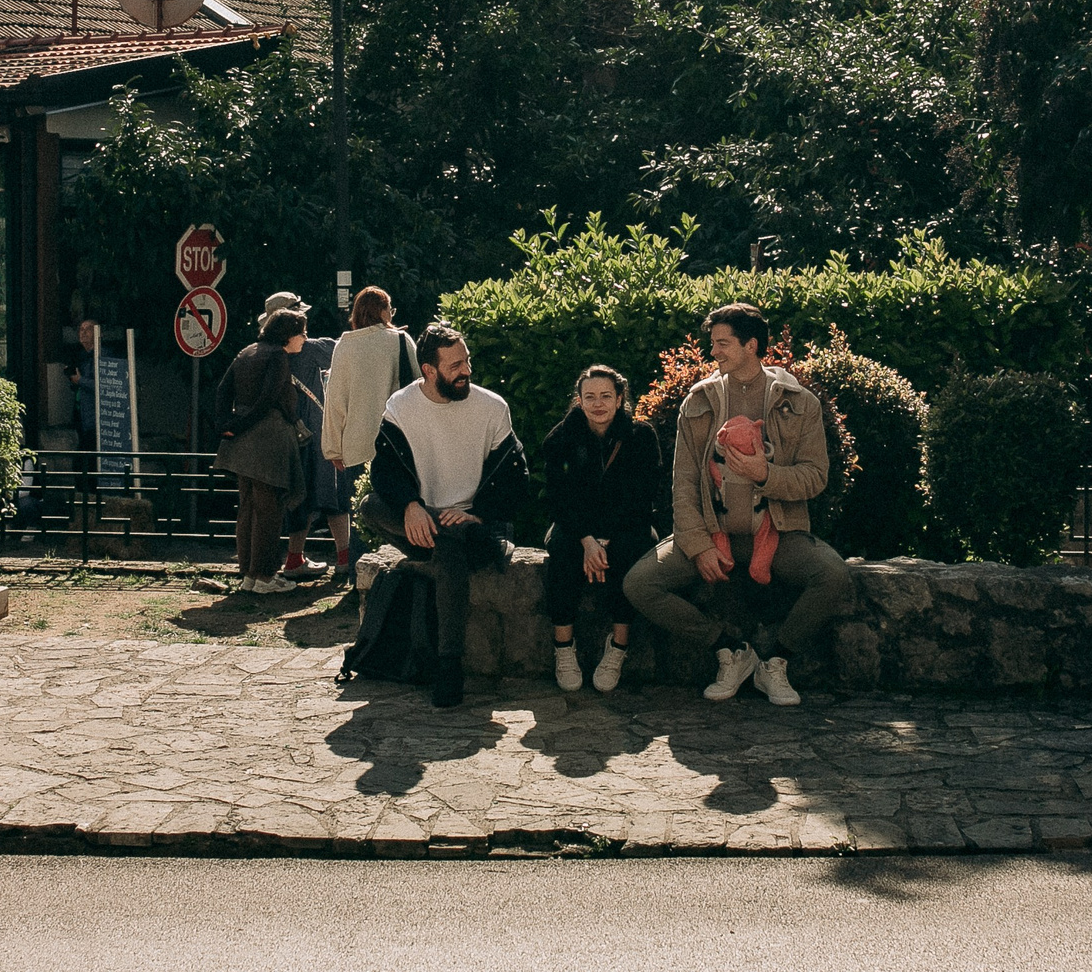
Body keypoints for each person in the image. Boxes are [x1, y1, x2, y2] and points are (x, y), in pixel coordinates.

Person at [623, 302, 848, 708]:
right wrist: (698, 545)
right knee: (639, 584)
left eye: (723, 344)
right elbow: (685, 481)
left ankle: (775, 662)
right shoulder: (699, 402)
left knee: (833, 576)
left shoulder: (800, 403)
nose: (714, 353)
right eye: (713, 344)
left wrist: (767, 475)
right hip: (713, 532)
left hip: (776, 533)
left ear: (752, 345)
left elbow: (816, 477)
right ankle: (730, 651)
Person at [363, 324, 528, 708]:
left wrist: (479, 516)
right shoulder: (401, 407)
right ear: (429, 370)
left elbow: (514, 479)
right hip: (424, 521)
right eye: (455, 365)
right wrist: (410, 505)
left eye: (466, 360)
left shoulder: (492, 407)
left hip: (478, 530)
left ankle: (448, 664)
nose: (466, 370)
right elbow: (384, 471)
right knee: (371, 506)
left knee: (451, 545)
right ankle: (448, 663)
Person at [541, 364, 664, 693]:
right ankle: (564, 648)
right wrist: (587, 541)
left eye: (606, 396)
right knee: (562, 552)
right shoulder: (561, 438)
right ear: (579, 400)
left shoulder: (640, 437)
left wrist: (605, 541)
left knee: (629, 554)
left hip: (627, 525)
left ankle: (618, 647)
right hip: (576, 527)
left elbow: (645, 495)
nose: (598, 403)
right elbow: (558, 497)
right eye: (590, 396)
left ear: (620, 398)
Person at [213, 308, 309, 594]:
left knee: (247, 507)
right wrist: (240, 425)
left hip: (242, 442)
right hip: (268, 438)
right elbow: (268, 399)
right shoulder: (277, 355)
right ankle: (265, 577)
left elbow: (222, 390)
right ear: (287, 333)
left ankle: (249, 575)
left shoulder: (248, 351)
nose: (305, 338)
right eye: (301, 332)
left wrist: (226, 426)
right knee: (269, 509)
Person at [259, 290, 345, 582]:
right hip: (316, 431)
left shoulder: (264, 352)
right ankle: (344, 557)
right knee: (334, 494)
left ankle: (293, 559)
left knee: (298, 499)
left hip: (286, 434)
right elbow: (345, 349)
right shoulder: (310, 349)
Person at [321, 286, 417, 515]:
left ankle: (359, 553)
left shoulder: (345, 345)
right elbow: (420, 386)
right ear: (383, 312)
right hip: (398, 442)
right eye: (390, 309)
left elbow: (335, 402)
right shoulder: (402, 341)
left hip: (356, 446)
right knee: (396, 513)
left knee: (360, 516)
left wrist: (333, 448)